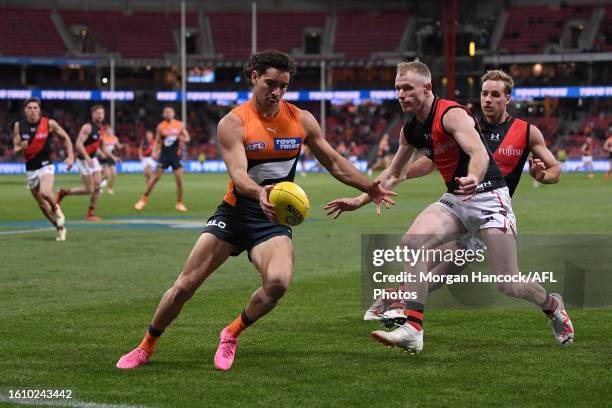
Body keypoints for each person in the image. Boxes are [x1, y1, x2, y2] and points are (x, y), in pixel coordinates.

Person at [116, 50, 394, 371]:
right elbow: (238, 175)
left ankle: (231, 333)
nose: (277, 92)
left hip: (271, 220)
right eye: (271, 83)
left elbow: (333, 161)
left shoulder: (301, 119)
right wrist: (260, 191)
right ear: (254, 78)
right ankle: (145, 346)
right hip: (234, 214)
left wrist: (368, 187)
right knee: (184, 286)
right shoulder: (233, 123)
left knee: (278, 283)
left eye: (283, 86)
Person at [324, 62, 573, 353]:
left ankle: (554, 306)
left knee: (508, 283)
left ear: (426, 88)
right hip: (456, 199)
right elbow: (393, 173)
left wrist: (474, 177)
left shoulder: (452, 114)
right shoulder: (412, 129)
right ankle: (413, 328)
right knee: (413, 243)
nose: (400, 95)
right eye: (397, 89)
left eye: (407, 89)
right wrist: (359, 199)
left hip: (490, 198)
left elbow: (478, 152)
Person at [12, 97, 74, 241]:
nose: (32, 111)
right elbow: (15, 148)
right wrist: (21, 147)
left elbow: (65, 138)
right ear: (25, 110)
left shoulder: (49, 123)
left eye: (35, 108)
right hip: (30, 168)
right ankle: (60, 228)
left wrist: (70, 157)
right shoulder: (18, 126)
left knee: (45, 192)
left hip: (46, 165)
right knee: (43, 206)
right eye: (29, 108)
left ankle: (57, 209)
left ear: (39, 110)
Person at [55, 105, 107, 221]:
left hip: (92, 159)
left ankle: (90, 213)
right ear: (92, 114)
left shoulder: (101, 128)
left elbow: (94, 143)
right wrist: (87, 157)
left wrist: (103, 154)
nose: (100, 115)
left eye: (102, 113)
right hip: (83, 160)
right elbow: (78, 144)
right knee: (90, 189)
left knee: (97, 186)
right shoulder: (87, 127)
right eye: (97, 113)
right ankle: (63, 192)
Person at [134, 106, 190, 212]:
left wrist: (182, 138)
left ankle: (179, 203)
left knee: (179, 181)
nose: (168, 113)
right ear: (164, 114)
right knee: (155, 178)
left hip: (175, 156)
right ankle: (143, 199)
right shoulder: (160, 126)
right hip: (164, 156)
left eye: (170, 112)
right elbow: (157, 141)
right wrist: (155, 151)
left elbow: (187, 138)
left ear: (173, 113)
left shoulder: (179, 125)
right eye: (166, 112)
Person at [100, 126, 122, 194]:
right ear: (106, 131)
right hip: (104, 157)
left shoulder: (115, 138)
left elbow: (118, 146)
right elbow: (101, 148)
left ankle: (110, 188)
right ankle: (98, 185)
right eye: (108, 130)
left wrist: (122, 146)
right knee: (107, 175)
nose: (110, 131)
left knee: (114, 174)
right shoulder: (102, 138)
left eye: (111, 130)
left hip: (111, 156)